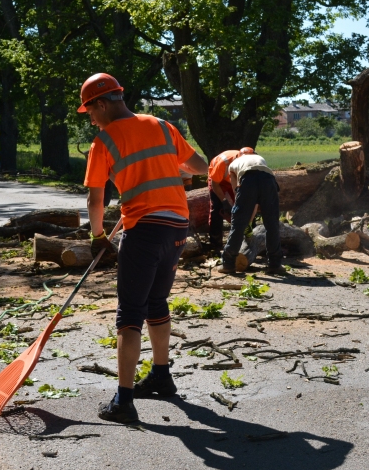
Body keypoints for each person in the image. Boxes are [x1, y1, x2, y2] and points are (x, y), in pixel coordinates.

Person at [80, 73, 208, 424]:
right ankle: (162, 377)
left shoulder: (104, 141)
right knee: (156, 301)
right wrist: (172, 170)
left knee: (130, 312)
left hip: (144, 229)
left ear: (103, 104)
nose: (90, 118)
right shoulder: (163, 126)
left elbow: (95, 197)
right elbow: (199, 165)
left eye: (90, 111)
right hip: (177, 227)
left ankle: (123, 400)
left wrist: (96, 237)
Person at [221, 147, 283, 274]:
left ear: (239, 155)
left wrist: (242, 215)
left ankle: (228, 264)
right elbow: (258, 190)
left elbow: (236, 190)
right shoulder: (260, 159)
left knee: (238, 225)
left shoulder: (233, 164)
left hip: (247, 179)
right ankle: (275, 264)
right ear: (253, 153)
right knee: (272, 223)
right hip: (268, 180)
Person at [206, 148, 242, 249]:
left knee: (244, 206)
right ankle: (215, 241)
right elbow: (215, 184)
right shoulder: (223, 164)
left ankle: (245, 236)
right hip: (217, 180)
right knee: (217, 208)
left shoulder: (248, 164)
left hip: (232, 180)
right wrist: (224, 201)